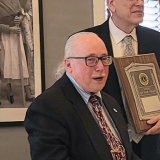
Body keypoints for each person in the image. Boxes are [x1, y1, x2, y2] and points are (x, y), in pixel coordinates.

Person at [82, 0, 160, 160]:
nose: (139, 3)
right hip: (103, 148)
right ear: (111, 3)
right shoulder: (88, 40)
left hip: (149, 146)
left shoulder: (157, 41)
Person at [24, 32, 141, 160]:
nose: (101, 67)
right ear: (69, 65)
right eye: (91, 60)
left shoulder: (110, 102)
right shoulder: (46, 108)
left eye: (104, 58)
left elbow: (126, 154)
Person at [0, 0, 34, 104]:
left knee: (21, 62)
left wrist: (19, 19)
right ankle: (9, 91)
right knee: (7, 62)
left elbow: (20, 13)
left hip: (17, 33)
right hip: (5, 35)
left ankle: (27, 91)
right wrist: (9, 29)